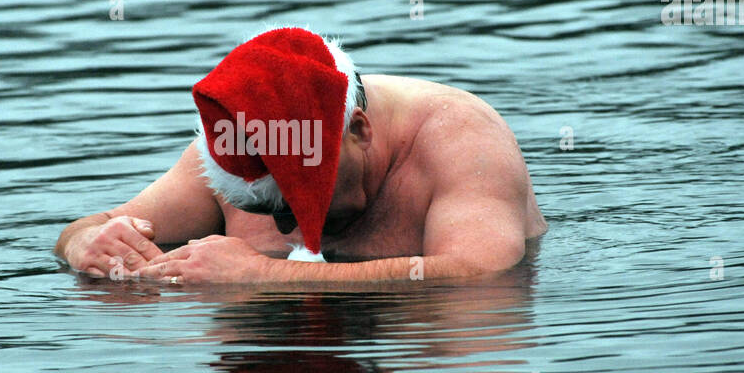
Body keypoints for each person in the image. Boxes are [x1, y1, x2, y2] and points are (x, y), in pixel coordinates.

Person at [54, 27, 546, 284]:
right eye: (266, 209)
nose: (285, 228)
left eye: (298, 200)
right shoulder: (239, 146)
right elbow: (91, 226)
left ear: (359, 130)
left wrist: (266, 275)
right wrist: (87, 246)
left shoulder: (460, 135)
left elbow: (483, 272)